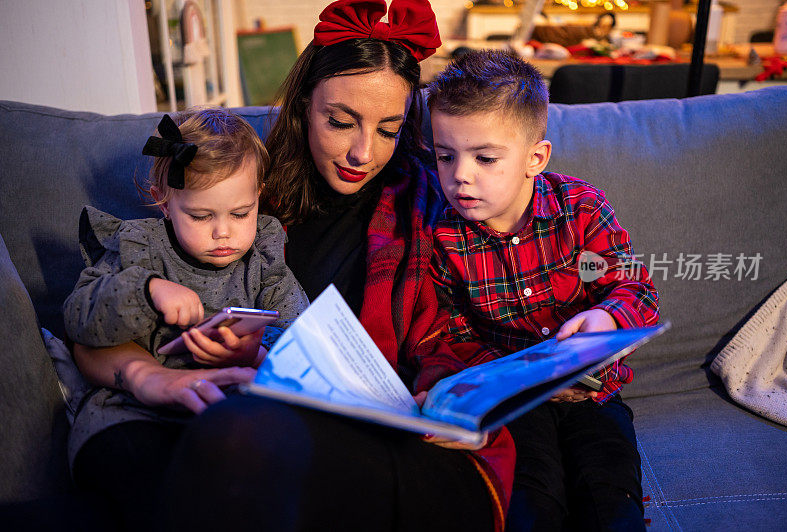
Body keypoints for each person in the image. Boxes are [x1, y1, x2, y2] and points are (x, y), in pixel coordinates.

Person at [68, 2, 515, 531]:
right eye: (340, 121)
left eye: (389, 130)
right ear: (304, 105)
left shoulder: (429, 204)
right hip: (254, 420)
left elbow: (459, 333)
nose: (362, 153)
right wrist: (157, 370)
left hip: (379, 428)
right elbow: (94, 325)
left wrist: (441, 392)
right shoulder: (241, 198)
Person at [426, 49, 659, 531]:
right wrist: (496, 376)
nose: (460, 175)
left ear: (536, 158)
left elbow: (635, 288)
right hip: (515, 403)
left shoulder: (581, 209)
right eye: (445, 156)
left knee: (610, 501)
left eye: (485, 158)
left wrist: (607, 319)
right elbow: (450, 331)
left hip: (593, 398)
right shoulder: (444, 236)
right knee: (529, 504)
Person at [63, 107, 308, 527]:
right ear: (165, 200)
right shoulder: (138, 246)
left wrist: (254, 352)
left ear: (258, 196)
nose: (223, 233)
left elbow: (299, 334)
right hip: (132, 410)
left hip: (224, 411)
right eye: (201, 216)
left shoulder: (264, 260)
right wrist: (146, 290)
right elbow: (79, 317)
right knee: (133, 466)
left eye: (240, 213)